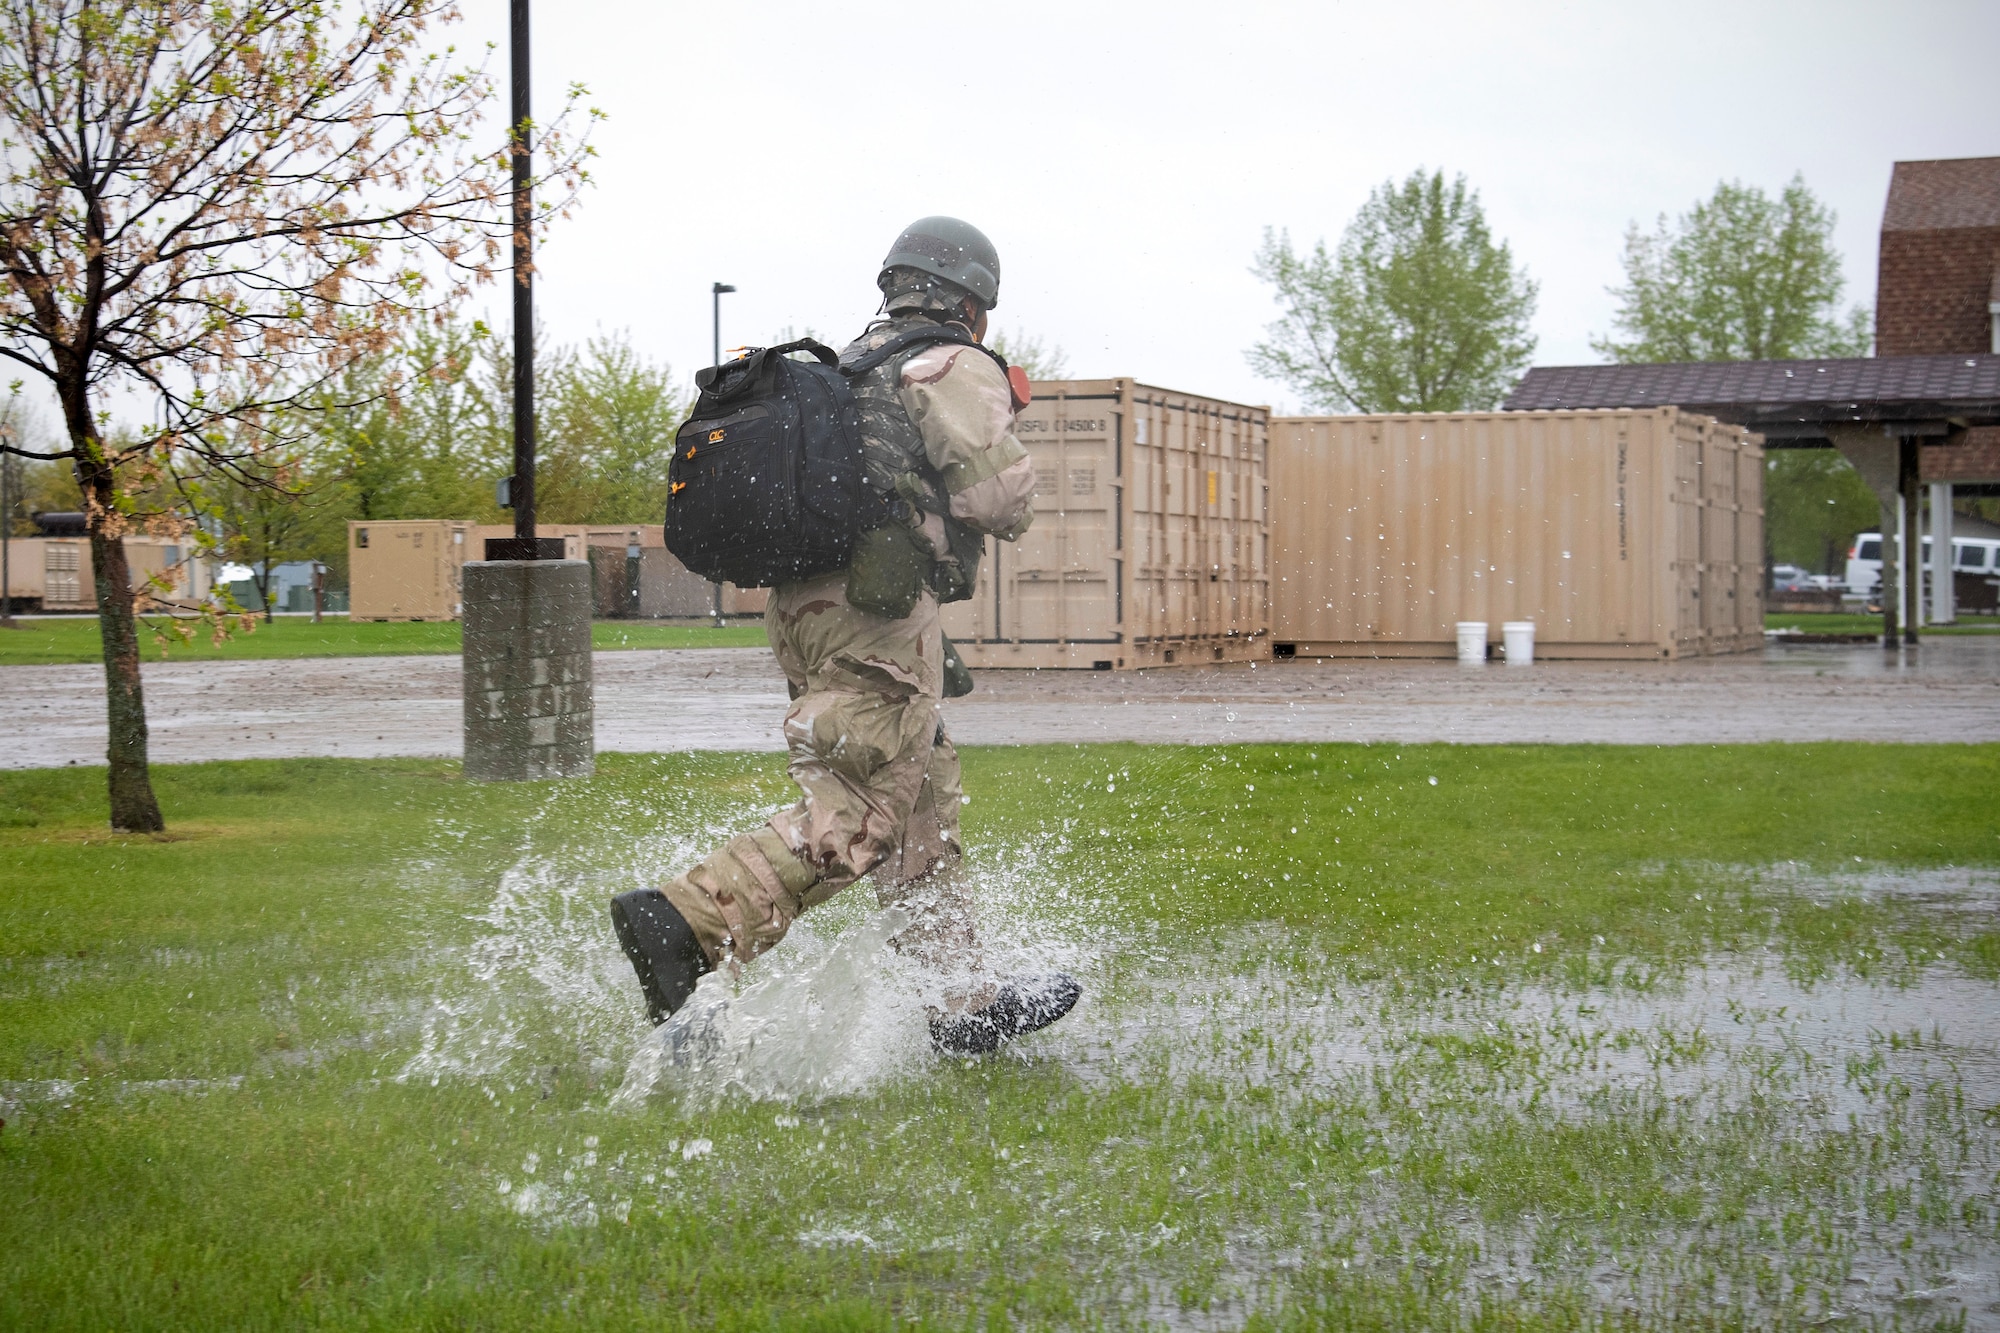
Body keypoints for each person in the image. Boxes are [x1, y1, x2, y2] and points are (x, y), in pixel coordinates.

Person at [611, 217, 1079, 1054]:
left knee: (920, 810)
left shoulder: (855, 363)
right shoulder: (947, 361)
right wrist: (1001, 412)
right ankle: (686, 918)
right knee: (861, 809)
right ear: (972, 301)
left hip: (806, 613)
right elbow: (1000, 501)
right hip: (876, 614)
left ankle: (961, 1004)